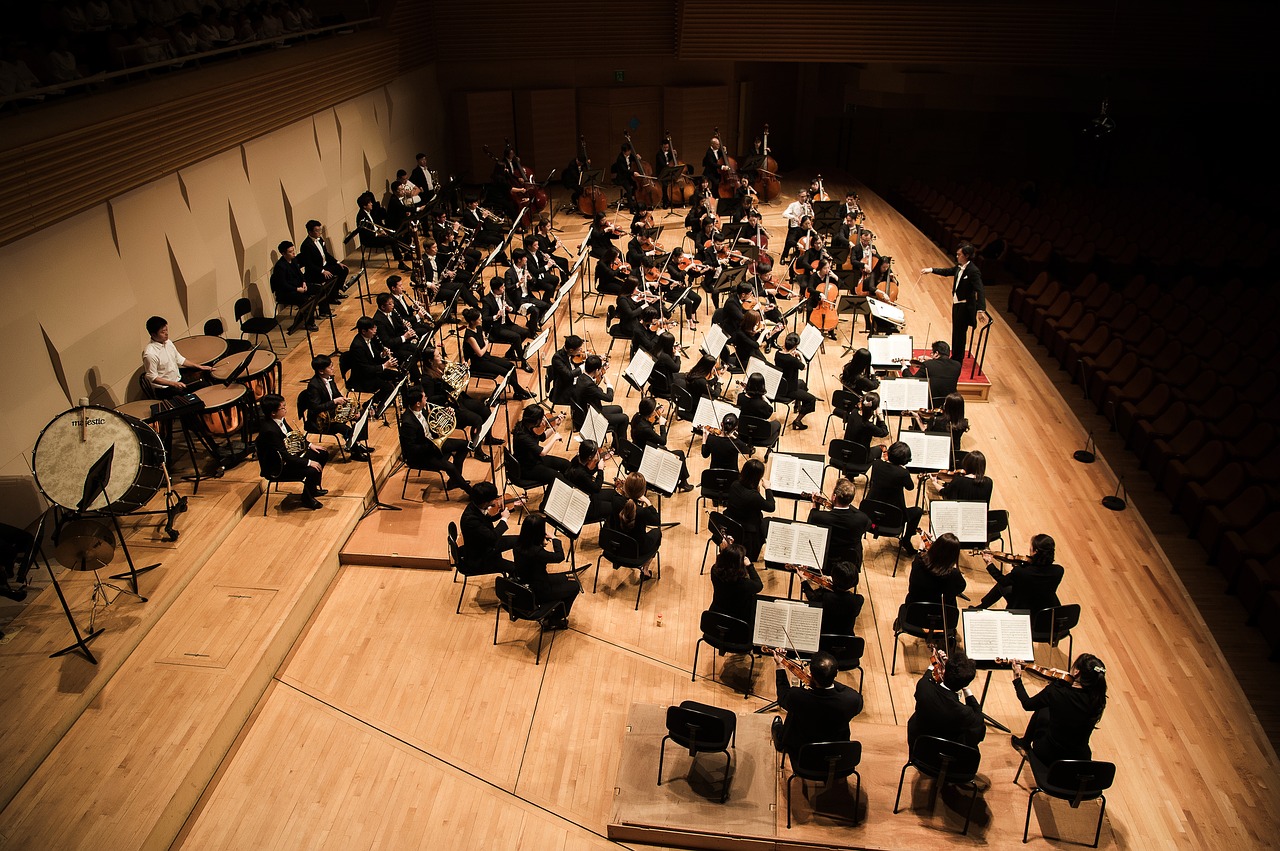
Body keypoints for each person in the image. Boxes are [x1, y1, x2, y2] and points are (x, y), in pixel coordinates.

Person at [1010, 653, 1108, 764]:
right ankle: (1024, 743)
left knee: (1043, 707)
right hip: (1079, 760)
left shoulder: (1057, 691)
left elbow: (1027, 704)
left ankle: (1025, 743)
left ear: (1077, 672)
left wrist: (1017, 678)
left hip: (1049, 755)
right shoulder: (1098, 698)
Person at [771, 649, 864, 763]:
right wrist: (825, 678)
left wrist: (780, 665)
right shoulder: (852, 699)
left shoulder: (797, 697)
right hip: (836, 754)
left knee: (792, 717)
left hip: (803, 756)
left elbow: (782, 696)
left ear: (811, 675)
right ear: (836, 673)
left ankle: (780, 741)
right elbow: (847, 694)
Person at [255, 393, 330, 510]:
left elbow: (293, 435)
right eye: (282, 408)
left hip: (289, 457)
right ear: (273, 412)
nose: (285, 409)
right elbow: (285, 456)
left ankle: (311, 489)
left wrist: (310, 445)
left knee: (322, 453)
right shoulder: (269, 430)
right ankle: (306, 498)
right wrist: (309, 462)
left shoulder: (279, 419)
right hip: (278, 467)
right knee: (312, 469)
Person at [907, 648, 985, 750]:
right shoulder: (965, 713)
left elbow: (927, 677)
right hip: (947, 755)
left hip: (919, 749)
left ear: (943, 672)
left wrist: (936, 663)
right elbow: (979, 719)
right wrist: (966, 689)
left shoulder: (924, 688)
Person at [399, 387, 472, 496]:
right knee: (450, 467)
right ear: (418, 403)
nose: (426, 398)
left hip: (433, 443)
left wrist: (447, 414)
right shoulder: (408, 423)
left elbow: (433, 423)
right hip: (422, 455)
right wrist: (431, 446)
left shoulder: (422, 409)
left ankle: (455, 481)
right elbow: (411, 449)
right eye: (424, 397)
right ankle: (472, 493)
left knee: (465, 445)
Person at [513, 513, 580, 628]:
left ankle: (553, 610)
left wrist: (540, 543)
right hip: (539, 590)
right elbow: (559, 557)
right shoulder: (537, 552)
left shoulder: (517, 544)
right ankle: (554, 619)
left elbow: (531, 553)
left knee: (564, 577)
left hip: (525, 582)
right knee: (575, 586)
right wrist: (555, 539)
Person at [923, 244, 987, 363]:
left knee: (960, 334)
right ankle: (955, 356)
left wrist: (980, 309)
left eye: (959, 254)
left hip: (965, 306)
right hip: (957, 304)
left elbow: (980, 290)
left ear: (966, 255)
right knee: (956, 332)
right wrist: (931, 270)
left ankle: (958, 360)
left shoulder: (973, 271)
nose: (957, 256)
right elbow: (947, 271)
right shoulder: (959, 267)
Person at [301, 354, 371, 461]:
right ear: (321, 371)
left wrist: (346, 403)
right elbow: (315, 407)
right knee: (346, 429)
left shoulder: (330, 378)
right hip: (321, 421)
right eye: (330, 367)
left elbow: (336, 394)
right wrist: (334, 402)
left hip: (332, 413)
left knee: (361, 415)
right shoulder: (313, 385)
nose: (333, 368)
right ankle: (355, 452)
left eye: (332, 365)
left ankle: (357, 443)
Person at [974, 533, 1063, 611]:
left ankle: (981, 607)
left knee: (1001, 585)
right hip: (1044, 608)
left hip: (1021, 606)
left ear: (1035, 552)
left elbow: (1003, 581)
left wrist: (989, 563)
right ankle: (981, 607)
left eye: (1031, 548)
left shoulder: (1021, 572)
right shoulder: (1059, 571)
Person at [805, 478, 870, 584]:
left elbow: (810, 525)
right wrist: (846, 505)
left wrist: (815, 505)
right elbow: (865, 522)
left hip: (826, 564)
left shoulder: (819, 517)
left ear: (834, 497)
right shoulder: (862, 519)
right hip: (850, 564)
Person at [461, 308, 534, 400]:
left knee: (511, 366)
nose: (481, 320)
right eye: (479, 319)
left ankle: (517, 392)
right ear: (472, 321)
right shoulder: (469, 336)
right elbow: (479, 353)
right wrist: (486, 344)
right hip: (478, 363)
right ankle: (521, 391)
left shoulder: (478, 327)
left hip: (486, 357)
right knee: (505, 372)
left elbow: (483, 339)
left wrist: (484, 341)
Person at [863, 441, 922, 552]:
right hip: (893, 520)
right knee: (918, 511)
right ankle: (906, 540)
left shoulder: (877, 464)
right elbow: (910, 487)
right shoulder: (903, 473)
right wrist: (903, 470)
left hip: (871, 515)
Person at [628, 398, 693, 492]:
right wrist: (662, 425)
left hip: (639, 450)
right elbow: (663, 441)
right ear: (650, 412)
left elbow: (649, 425)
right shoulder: (645, 429)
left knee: (665, 449)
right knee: (680, 454)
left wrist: (657, 415)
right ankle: (683, 483)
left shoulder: (637, 417)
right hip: (647, 456)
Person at [142, 315, 214, 398]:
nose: (166, 333)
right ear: (153, 335)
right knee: (192, 399)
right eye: (163, 332)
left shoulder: (168, 342)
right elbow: (153, 377)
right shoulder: (150, 354)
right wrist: (173, 384)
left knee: (205, 385)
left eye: (166, 330)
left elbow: (180, 359)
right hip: (165, 389)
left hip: (178, 380)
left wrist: (199, 367)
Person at [607, 472, 661, 578]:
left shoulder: (616, 501)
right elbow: (657, 521)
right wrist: (648, 503)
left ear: (625, 487)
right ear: (643, 491)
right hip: (637, 550)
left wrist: (623, 489)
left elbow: (619, 496)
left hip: (616, 546)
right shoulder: (643, 512)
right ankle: (645, 570)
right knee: (657, 533)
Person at [459, 482, 517, 575]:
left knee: (521, 540)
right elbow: (493, 537)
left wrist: (507, 510)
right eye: (493, 499)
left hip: (485, 544)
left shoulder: (475, 505)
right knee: (515, 568)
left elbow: (488, 519)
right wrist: (504, 519)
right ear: (486, 502)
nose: (495, 501)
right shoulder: (471, 520)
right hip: (481, 557)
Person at [572, 354, 629, 448]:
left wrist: (599, 378)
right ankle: (621, 448)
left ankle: (616, 444)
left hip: (589, 410)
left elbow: (594, 390)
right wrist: (609, 385)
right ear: (596, 370)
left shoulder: (581, 377)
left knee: (618, 409)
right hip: (592, 417)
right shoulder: (589, 385)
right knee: (624, 418)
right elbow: (609, 398)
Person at [724, 458, 774, 563]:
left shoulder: (734, 485)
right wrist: (768, 488)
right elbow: (771, 507)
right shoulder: (753, 496)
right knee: (771, 522)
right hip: (749, 532)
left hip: (732, 525)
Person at [902, 532, 966, 609]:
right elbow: (960, 587)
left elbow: (922, 555)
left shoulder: (918, 560)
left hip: (913, 610)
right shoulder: (953, 574)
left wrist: (922, 546)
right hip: (940, 613)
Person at [511, 405, 571, 487]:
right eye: (541, 418)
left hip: (534, 459)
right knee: (557, 478)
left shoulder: (529, 426)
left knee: (566, 464)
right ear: (535, 420)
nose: (544, 419)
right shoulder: (522, 436)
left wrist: (556, 425)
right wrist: (554, 438)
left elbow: (543, 437)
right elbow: (543, 452)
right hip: (527, 467)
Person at [482, 276, 533, 370]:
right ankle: (523, 361)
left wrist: (509, 308)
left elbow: (513, 307)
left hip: (506, 324)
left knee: (525, 332)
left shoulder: (503, 294)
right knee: (516, 337)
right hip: (495, 328)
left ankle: (510, 353)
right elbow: (484, 318)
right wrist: (496, 316)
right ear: (496, 290)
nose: (504, 288)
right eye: (502, 287)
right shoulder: (487, 300)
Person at [345, 316, 401, 401]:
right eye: (372, 329)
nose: (375, 330)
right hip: (362, 378)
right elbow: (365, 369)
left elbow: (374, 356)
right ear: (364, 331)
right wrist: (385, 366)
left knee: (399, 375)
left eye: (375, 327)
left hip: (372, 372)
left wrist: (382, 354)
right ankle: (369, 405)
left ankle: (406, 403)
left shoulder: (368, 338)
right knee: (388, 388)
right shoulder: (357, 346)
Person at [565, 439, 622, 523]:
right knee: (616, 507)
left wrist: (603, 459)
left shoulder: (577, 459)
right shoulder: (580, 474)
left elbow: (588, 472)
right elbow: (597, 488)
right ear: (589, 457)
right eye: (596, 453)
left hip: (587, 494)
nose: (598, 454)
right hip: (586, 506)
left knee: (614, 494)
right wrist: (600, 470)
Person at [799, 561, 863, 635]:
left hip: (823, 636)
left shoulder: (826, 597)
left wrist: (803, 580)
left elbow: (812, 597)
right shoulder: (858, 600)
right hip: (846, 639)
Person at [709, 541, 763, 629]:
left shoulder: (714, 571)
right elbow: (759, 586)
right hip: (738, 621)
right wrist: (750, 566)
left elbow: (726, 560)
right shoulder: (744, 584)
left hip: (716, 614)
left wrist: (730, 551)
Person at [774, 332, 816, 430]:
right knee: (811, 399)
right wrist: (800, 354)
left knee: (802, 384)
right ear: (795, 347)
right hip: (789, 390)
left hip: (780, 384)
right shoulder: (792, 360)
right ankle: (797, 421)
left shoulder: (778, 353)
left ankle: (797, 405)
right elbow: (804, 367)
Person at [911, 392, 969, 462]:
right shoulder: (963, 423)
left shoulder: (936, 420)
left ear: (947, 406)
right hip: (954, 454)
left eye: (945, 402)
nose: (943, 404)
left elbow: (925, 432)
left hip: (936, 452)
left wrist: (917, 418)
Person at [356, 191, 407, 270]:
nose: (372, 204)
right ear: (364, 206)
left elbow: (374, 225)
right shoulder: (361, 216)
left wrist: (381, 229)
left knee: (395, 235)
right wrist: (378, 234)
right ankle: (401, 262)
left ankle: (406, 252)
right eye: (369, 203)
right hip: (370, 239)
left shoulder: (368, 212)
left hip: (375, 234)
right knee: (392, 240)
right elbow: (365, 233)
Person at [298, 218, 349, 298]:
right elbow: (309, 264)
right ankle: (332, 296)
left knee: (343, 269)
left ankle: (337, 290)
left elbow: (326, 254)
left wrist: (338, 262)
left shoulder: (320, 239)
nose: (320, 232)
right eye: (317, 231)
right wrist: (322, 271)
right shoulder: (306, 245)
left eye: (320, 230)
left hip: (325, 266)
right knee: (331, 276)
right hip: (316, 271)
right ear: (310, 232)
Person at [901, 341, 962, 405]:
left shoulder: (928, 365)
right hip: (950, 403)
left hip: (931, 403)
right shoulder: (957, 365)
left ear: (936, 353)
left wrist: (904, 367)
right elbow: (941, 367)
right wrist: (931, 360)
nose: (931, 354)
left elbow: (912, 380)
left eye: (932, 353)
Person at [269, 240, 316, 320]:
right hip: (287, 292)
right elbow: (283, 284)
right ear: (283, 254)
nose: (294, 253)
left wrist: (304, 282)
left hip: (298, 286)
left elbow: (300, 274)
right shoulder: (280, 266)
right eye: (290, 252)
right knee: (304, 300)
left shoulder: (294, 260)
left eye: (293, 250)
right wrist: (297, 289)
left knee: (319, 289)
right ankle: (307, 322)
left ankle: (323, 312)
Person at [736, 372, 782, 447]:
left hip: (743, 433)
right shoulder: (762, 405)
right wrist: (762, 395)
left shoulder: (740, 397)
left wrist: (745, 389)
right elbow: (771, 410)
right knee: (777, 424)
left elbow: (743, 398)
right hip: (760, 436)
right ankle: (771, 447)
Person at [550, 334, 585, 406]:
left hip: (575, 383)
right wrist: (582, 367)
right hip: (564, 389)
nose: (580, 351)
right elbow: (569, 374)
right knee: (588, 394)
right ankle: (580, 412)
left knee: (592, 389)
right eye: (579, 349)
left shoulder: (572, 354)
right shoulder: (557, 358)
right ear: (571, 350)